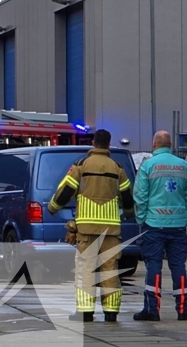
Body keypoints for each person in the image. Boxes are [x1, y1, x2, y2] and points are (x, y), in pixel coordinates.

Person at [47, 128, 134, 322]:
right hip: (111, 230)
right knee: (110, 268)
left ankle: (86, 312)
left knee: (86, 268)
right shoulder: (117, 168)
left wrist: (53, 208)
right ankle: (111, 313)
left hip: (86, 229)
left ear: (93, 143)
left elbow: (65, 191)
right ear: (109, 144)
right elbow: (127, 197)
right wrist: (129, 214)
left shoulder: (82, 165)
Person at [132, 130, 187, 321]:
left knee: (153, 266)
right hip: (179, 225)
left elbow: (140, 197)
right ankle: (183, 309)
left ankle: (152, 310)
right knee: (178, 266)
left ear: (154, 144)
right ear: (170, 145)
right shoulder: (184, 166)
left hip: (153, 224)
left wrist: (141, 220)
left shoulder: (148, 166)